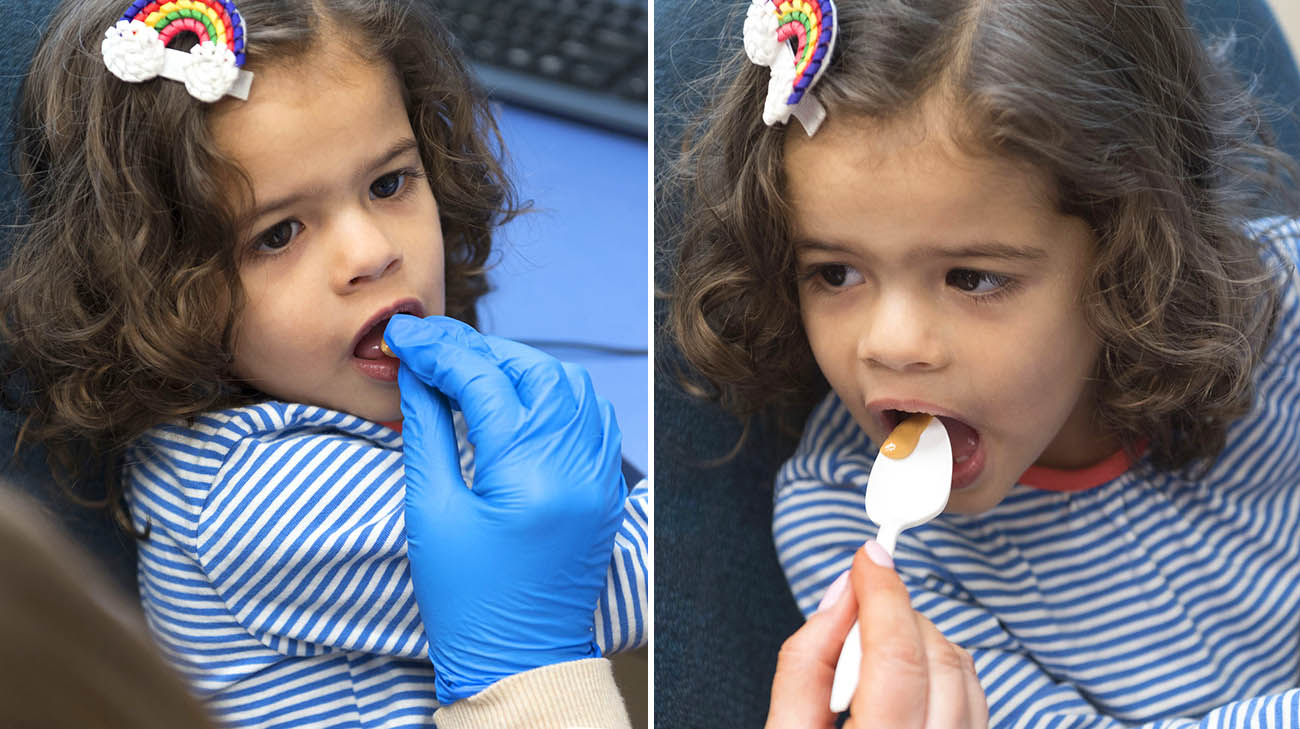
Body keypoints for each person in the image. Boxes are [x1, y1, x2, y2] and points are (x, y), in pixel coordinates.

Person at [0, 0, 647, 727]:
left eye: (389, 183)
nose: (371, 252)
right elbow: (616, 584)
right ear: (156, 285)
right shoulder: (259, 497)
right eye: (278, 234)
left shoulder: (295, 406)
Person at [667, 0, 1300, 725]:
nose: (892, 343)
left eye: (972, 278)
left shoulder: (1281, 310)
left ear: (1130, 256)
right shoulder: (846, 530)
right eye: (837, 273)